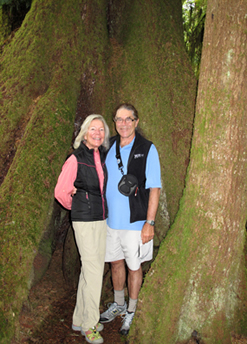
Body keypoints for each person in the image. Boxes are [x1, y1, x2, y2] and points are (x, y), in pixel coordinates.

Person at [100, 103, 161, 335]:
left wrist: (150, 222)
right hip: (110, 222)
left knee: (134, 267)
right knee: (115, 262)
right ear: (114, 122)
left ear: (136, 121)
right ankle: (118, 304)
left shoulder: (147, 149)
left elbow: (154, 188)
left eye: (128, 119)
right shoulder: (109, 146)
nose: (123, 123)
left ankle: (132, 310)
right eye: (119, 119)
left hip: (135, 223)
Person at [54, 114, 110, 344]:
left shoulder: (100, 156)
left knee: (91, 270)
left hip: (100, 219)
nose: (97, 133)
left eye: (101, 130)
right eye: (92, 129)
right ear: (84, 132)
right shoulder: (75, 159)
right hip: (84, 221)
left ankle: (79, 318)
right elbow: (61, 192)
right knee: (95, 271)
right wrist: (75, 207)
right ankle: (89, 325)